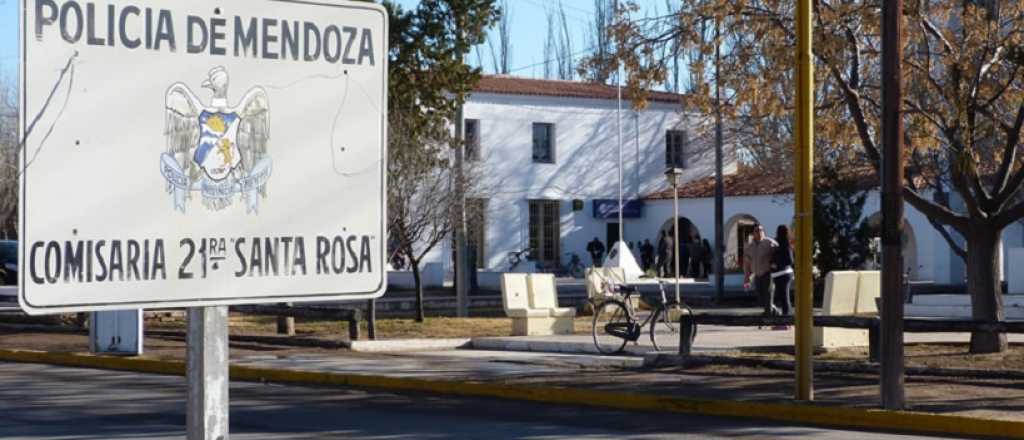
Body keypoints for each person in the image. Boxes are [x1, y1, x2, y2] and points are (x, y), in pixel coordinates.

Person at [743, 223, 779, 317]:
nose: (760, 232)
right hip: (757, 275)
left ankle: (769, 316)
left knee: (768, 297)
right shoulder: (750, 247)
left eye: (761, 230)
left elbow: (779, 255)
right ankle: (774, 311)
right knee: (761, 299)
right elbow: (747, 263)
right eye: (757, 230)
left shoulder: (770, 243)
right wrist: (747, 277)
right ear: (753, 233)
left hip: (767, 274)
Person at [770, 225, 794, 328]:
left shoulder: (785, 244)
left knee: (784, 298)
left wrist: (776, 264)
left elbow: (790, 260)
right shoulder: (778, 243)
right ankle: (785, 321)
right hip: (779, 274)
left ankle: (786, 322)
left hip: (784, 274)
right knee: (783, 298)